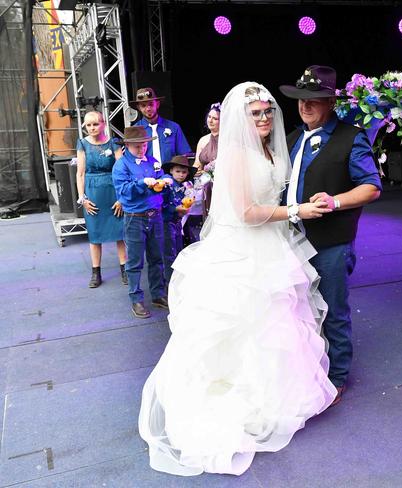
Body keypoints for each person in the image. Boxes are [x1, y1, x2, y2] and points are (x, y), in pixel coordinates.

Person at [139, 82, 336, 476]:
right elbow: (246, 212)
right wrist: (297, 211)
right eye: (255, 113)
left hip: (271, 244)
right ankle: (238, 404)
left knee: (274, 323)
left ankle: (275, 396)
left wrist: (301, 204)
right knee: (241, 324)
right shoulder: (236, 154)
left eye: (267, 111)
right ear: (239, 119)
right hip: (242, 250)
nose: (264, 118)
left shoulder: (267, 148)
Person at [279, 65, 382, 406]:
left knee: (333, 309)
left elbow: (371, 187)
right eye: (300, 100)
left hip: (331, 244)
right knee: (298, 310)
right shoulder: (292, 139)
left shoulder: (351, 137)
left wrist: (335, 201)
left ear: (329, 102)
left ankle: (336, 376)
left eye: (314, 100)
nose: (305, 106)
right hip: (290, 242)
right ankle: (308, 366)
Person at [112, 126, 169, 319]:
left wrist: (167, 180)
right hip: (135, 218)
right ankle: (136, 299)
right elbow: (123, 192)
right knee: (135, 262)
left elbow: (162, 175)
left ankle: (158, 294)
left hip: (155, 215)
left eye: (144, 144)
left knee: (156, 258)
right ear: (127, 145)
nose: (142, 148)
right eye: (137, 145)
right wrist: (142, 183)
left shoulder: (151, 161)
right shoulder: (121, 166)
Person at [75, 111, 127, 288]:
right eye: (88, 125)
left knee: (120, 233)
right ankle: (96, 272)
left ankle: (125, 269)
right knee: (95, 235)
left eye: (95, 124)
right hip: (92, 195)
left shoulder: (113, 144)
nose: (91, 128)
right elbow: (80, 174)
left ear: (103, 124)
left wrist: (121, 198)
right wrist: (83, 198)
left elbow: (122, 171)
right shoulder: (82, 144)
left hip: (113, 192)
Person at [131, 87, 192, 165]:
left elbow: (184, 155)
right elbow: (131, 159)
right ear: (138, 108)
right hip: (145, 174)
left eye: (151, 104)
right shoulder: (134, 130)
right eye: (143, 105)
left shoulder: (174, 127)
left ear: (157, 104)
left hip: (170, 174)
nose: (148, 108)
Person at [161, 155, 196, 285]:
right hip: (165, 222)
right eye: (178, 171)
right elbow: (160, 203)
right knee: (169, 254)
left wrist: (186, 206)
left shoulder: (184, 187)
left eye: (184, 172)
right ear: (171, 170)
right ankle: (170, 284)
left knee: (178, 251)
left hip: (176, 222)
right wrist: (175, 209)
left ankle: (176, 281)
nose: (181, 175)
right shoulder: (167, 183)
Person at [193, 102, 221, 220]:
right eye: (209, 117)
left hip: (222, 186)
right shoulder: (203, 140)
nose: (211, 120)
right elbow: (197, 165)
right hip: (207, 186)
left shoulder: (228, 140)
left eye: (215, 118)